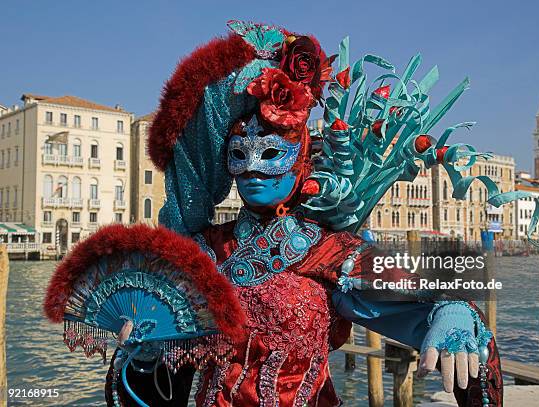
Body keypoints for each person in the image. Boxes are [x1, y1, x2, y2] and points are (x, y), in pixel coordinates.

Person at [98, 20, 505, 406]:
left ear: (300, 161)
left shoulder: (329, 251)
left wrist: (450, 314)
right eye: (240, 156)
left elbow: (418, 303)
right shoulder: (203, 252)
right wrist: (146, 353)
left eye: (271, 155)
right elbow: (156, 379)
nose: (254, 168)